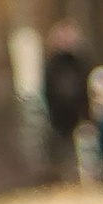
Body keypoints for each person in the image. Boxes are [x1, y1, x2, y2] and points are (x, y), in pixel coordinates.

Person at [40, 20, 94, 173]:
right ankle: (63, 172)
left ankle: (85, 173)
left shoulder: (80, 61)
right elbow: (48, 89)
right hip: (58, 113)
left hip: (78, 112)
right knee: (62, 146)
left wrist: (87, 113)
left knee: (84, 145)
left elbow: (85, 86)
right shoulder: (52, 65)